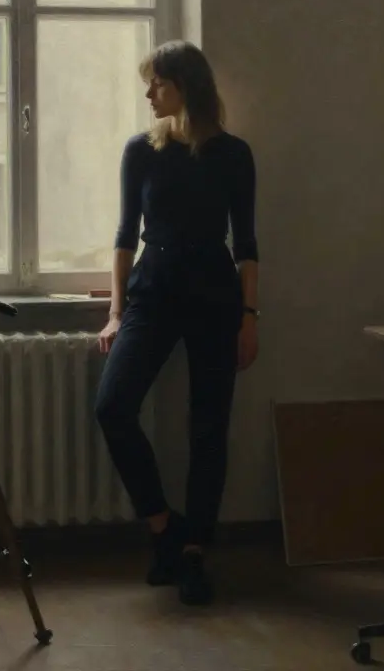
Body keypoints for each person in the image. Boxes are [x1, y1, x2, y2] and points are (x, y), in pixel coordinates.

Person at [94, 39, 259, 607]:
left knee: (209, 427)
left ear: (185, 86)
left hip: (215, 296)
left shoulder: (234, 154)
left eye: (157, 83)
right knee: (112, 406)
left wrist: (250, 316)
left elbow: (248, 244)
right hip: (152, 291)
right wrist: (115, 312)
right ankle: (165, 527)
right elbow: (123, 236)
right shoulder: (141, 150)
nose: (148, 94)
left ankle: (195, 555)